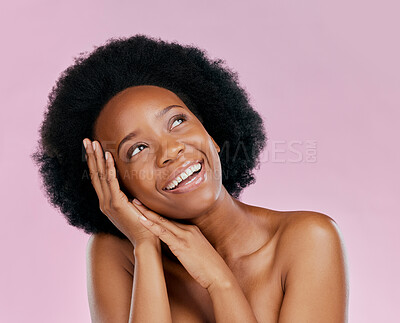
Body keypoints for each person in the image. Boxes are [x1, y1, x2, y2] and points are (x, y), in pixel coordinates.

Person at [32, 34, 349, 322]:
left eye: (177, 121)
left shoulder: (307, 240)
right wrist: (145, 247)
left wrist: (218, 280)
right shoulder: (116, 253)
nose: (169, 150)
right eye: (138, 148)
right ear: (115, 181)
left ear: (211, 133)